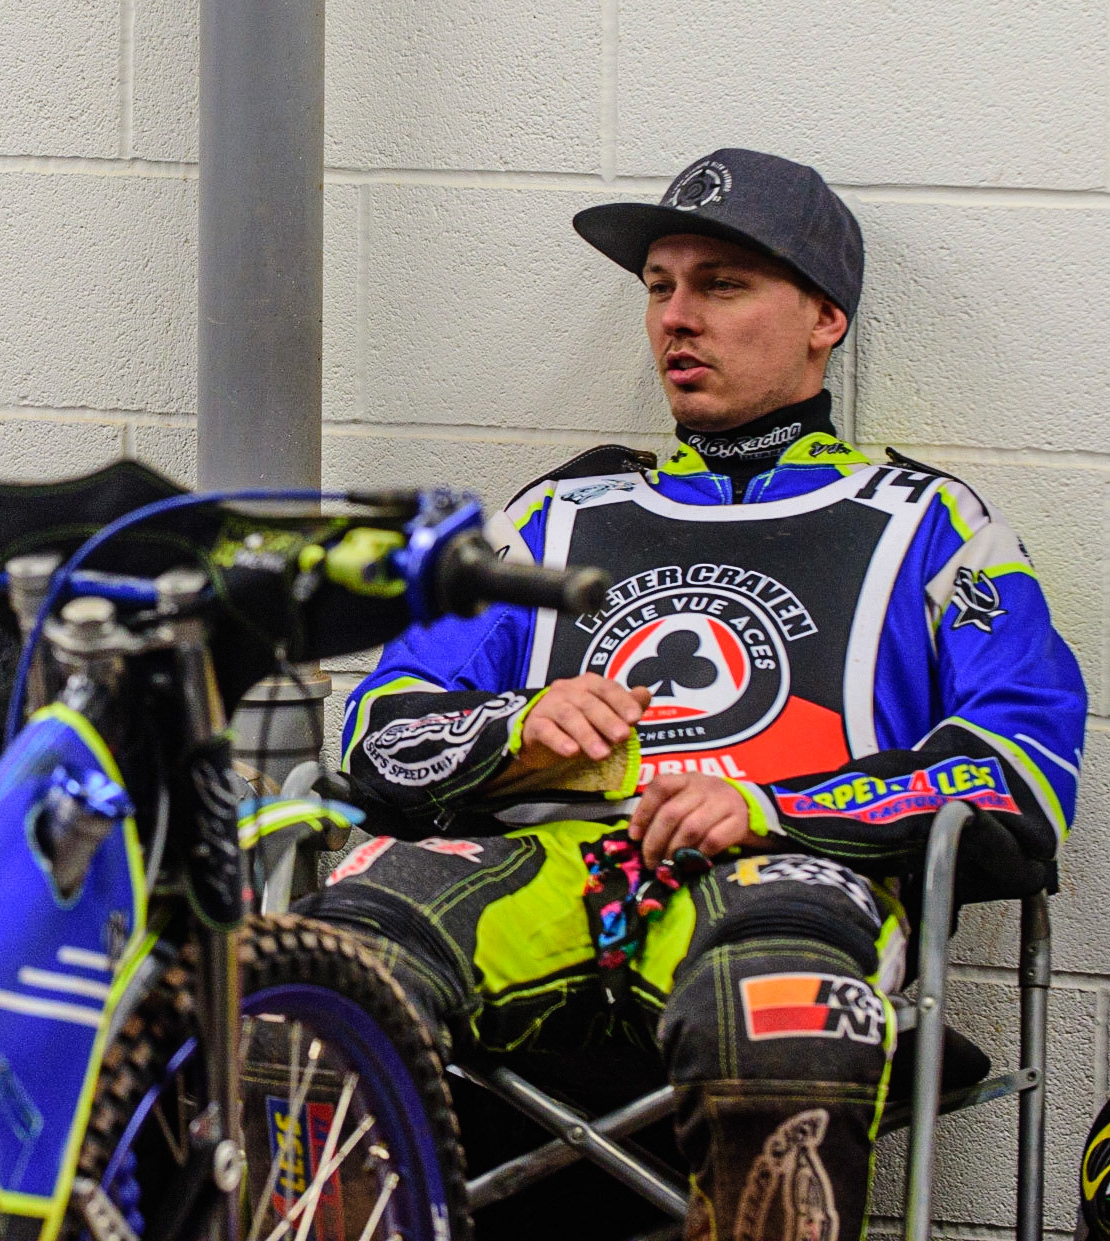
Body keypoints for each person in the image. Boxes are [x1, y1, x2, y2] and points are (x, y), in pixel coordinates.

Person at [301, 149, 1087, 1240]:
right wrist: (509, 730)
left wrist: (774, 806)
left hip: (782, 874)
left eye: (720, 285)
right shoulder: (549, 515)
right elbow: (373, 725)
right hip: (538, 869)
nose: (676, 317)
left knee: (774, 1020)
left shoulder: (929, 521)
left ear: (824, 319)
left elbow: (1022, 769)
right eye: (658, 287)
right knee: (306, 985)